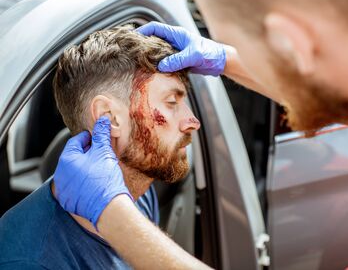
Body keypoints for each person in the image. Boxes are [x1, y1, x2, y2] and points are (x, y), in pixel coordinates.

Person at [53, 0, 348, 269]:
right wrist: (226, 58)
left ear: (291, 44)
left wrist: (116, 219)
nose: (194, 121)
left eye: (244, 46)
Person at [0, 26, 202, 269]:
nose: (193, 122)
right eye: (171, 102)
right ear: (109, 117)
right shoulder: (30, 262)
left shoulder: (138, 188)